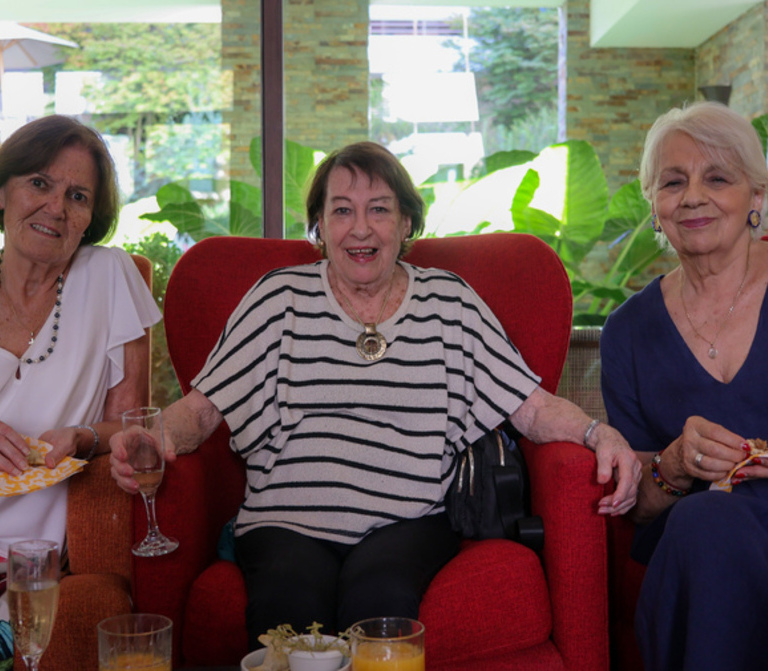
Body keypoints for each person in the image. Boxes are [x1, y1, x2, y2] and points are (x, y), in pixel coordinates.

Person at [111, 141, 640, 647]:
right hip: (285, 519)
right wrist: (153, 439)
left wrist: (599, 434)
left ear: (406, 223)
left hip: (409, 519)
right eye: (342, 210)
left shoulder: (450, 303)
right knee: (287, 605)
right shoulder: (278, 298)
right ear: (320, 225)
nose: (360, 228)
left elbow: (532, 408)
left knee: (380, 603)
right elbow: (202, 411)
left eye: (379, 209)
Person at [600, 101, 768, 670]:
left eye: (717, 178)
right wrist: (673, 464)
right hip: (697, 546)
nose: (693, 196)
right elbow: (636, 509)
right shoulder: (627, 332)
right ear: (654, 205)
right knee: (707, 523)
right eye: (673, 182)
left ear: (757, 196)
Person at [0, 115, 162, 657]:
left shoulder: (108, 277)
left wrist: (84, 437)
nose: (56, 208)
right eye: (38, 183)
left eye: (77, 196)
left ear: (92, 217)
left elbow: (133, 425)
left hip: (29, 561)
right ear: (3, 191)